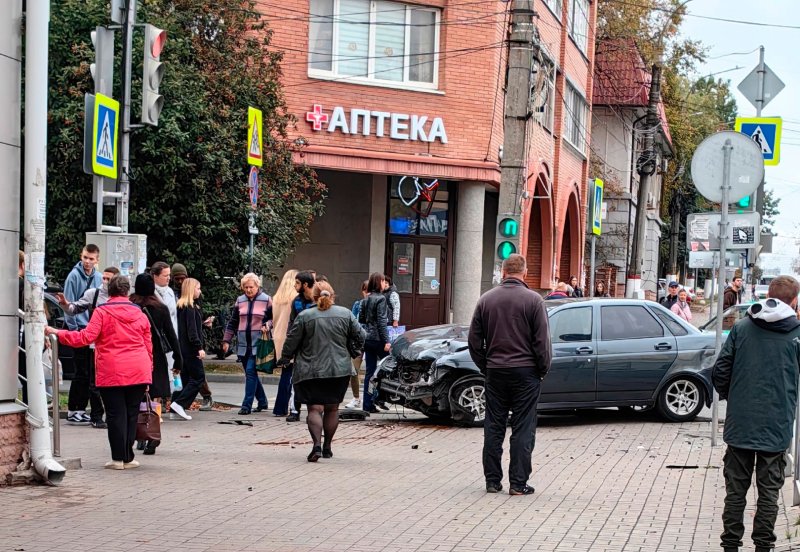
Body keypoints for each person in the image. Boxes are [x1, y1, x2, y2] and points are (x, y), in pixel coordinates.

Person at [712, 275, 800, 552]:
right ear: (793, 301)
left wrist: (735, 398)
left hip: (741, 424)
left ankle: (730, 546)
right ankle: (764, 546)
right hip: (777, 424)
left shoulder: (741, 328)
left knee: (735, 491)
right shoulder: (796, 334)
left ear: (769, 296)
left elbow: (720, 371)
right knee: (769, 492)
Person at [45, 276, 152, 470]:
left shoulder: (102, 312)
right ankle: (128, 457)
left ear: (109, 291)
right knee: (131, 413)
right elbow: (148, 344)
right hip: (138, 368)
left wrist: (57, 333)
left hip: (112, 369)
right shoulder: (140, 314)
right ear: (127, 292)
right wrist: (148, 369)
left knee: (114, 414)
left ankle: (117, 459)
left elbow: (85, 337)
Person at [468, 254, 552, 496]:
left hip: (495, 371)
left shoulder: (486, 300)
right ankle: (518, 483)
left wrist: (485, 366)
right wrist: (542, 369)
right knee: (524, 426)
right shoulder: (534, 301)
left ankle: (492, 481)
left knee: (494, 425)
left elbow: (474, 341)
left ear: (503, 272)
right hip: (526, 373)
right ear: (524, 274)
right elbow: (542, 343)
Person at [281, 281, 365, 462]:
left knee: (314, 408)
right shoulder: (346, 314)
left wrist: (285, 357)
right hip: (339, 369)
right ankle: (328, 447)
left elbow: (291, 341)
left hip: (311, 370)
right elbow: (362, 335)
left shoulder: (305, 316)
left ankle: (316, 445)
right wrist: (354, 349)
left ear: (314, 296)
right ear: (332, 295)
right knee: (332, 408)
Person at [130, 273, 182, 455]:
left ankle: (138, 435)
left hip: (134, 354)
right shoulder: (160, 308)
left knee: (136, 397)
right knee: (154, 397)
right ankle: (152, 434)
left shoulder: (130, 306)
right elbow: (171, 334)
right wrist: (178, 357)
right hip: (156, 356)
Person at [63, 244, 104, 426]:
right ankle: (74, 409)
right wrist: (74, 330)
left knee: (90, 373)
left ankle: (81, 409)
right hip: (79, 329)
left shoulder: (98, 277)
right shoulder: (73, 276)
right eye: (85, 257)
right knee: (81, 372)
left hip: (92, 330)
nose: (87, 262)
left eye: (91, 259)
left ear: (97, 260)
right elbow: (69, 305)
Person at [221, 273, 273, 415]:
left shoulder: (267, 300)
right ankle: (262, 401)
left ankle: (246, 405)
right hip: (243, 344)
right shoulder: (240, 300)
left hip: (259, 343)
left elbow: (274, 318)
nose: (248, 290)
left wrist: (267, 324)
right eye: (246, 287)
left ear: (257, 286)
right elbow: (233, 322)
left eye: (251, 287)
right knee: (251, 374)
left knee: (251, 372)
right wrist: (226, 340)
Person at [170, 262, 213, 410]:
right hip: (191, 348)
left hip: (183, 347)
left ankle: (176, 404)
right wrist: (199, 347)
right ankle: (179, 404)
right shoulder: (190, 308)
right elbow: (192, 331)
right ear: (191, 289)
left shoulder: (183, 306)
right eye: (198, 288)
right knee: (198, 377)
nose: (200, 291)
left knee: (186, 378)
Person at [275, 270, 316, 421]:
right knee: (296, 378)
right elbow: (292, 324)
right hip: (299, 345)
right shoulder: (296, 301)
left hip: (314, 345)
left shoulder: (316, 301)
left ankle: (315, 410)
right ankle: (295, 410)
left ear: (305, 284)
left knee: (314, 379)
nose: (295, 285)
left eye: (297, 283)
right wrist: (290, 344)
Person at [361, 272, 391, 414]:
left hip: (367, 338)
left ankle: (367, 403)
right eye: (383, 281)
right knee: (389, 366)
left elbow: (361, 319)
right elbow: (382, 322)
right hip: (378, 339)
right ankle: (380, 397)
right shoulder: (381, 299)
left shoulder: (365, 299)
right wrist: (387, 341)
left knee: (369, 371)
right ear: (379, 282)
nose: (385, 283)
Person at [270, 269, 298, 416]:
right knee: (290, 375)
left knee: (285, 372)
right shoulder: (295, 299)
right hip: (290, 337)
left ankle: (280, 407)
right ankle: (285, 407)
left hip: (278, 337)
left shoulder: (276, 298)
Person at [344, 280, 368, 410]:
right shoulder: (358, 305)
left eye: (369, 290)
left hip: (371, 341)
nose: (367, 293)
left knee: (374, 372)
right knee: (353, 370)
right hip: (358, 342)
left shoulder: (379, 303)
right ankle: (356, 397)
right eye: (365, 290)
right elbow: (351, 321)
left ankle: (370, 398)